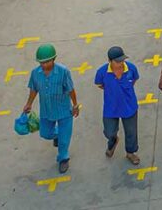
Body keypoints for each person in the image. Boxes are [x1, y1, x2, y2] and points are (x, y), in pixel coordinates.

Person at [21, 44, 79, 173]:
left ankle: (63, 158)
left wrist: (75, 105)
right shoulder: (35, 74)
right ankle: (58, 134)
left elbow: (71, 89)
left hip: (64, 110)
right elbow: (34, 89)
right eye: (42, 62)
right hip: (47, 110)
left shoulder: (63, 72)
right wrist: (29, 103)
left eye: (47, 61)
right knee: (45, 133)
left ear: (54, 59)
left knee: (64, 141)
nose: (44, 65)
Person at [93, 46, 140, 165]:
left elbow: (134, 80)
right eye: (117, 61)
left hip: (129, 106)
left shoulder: (131, 69)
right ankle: (113, 140)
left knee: (131, 131)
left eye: (122, 60)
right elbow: (100, 85)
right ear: (110, 61)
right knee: (109, 131)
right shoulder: (102, 72)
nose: (120, 63)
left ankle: (130, 152)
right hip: (111, 107)